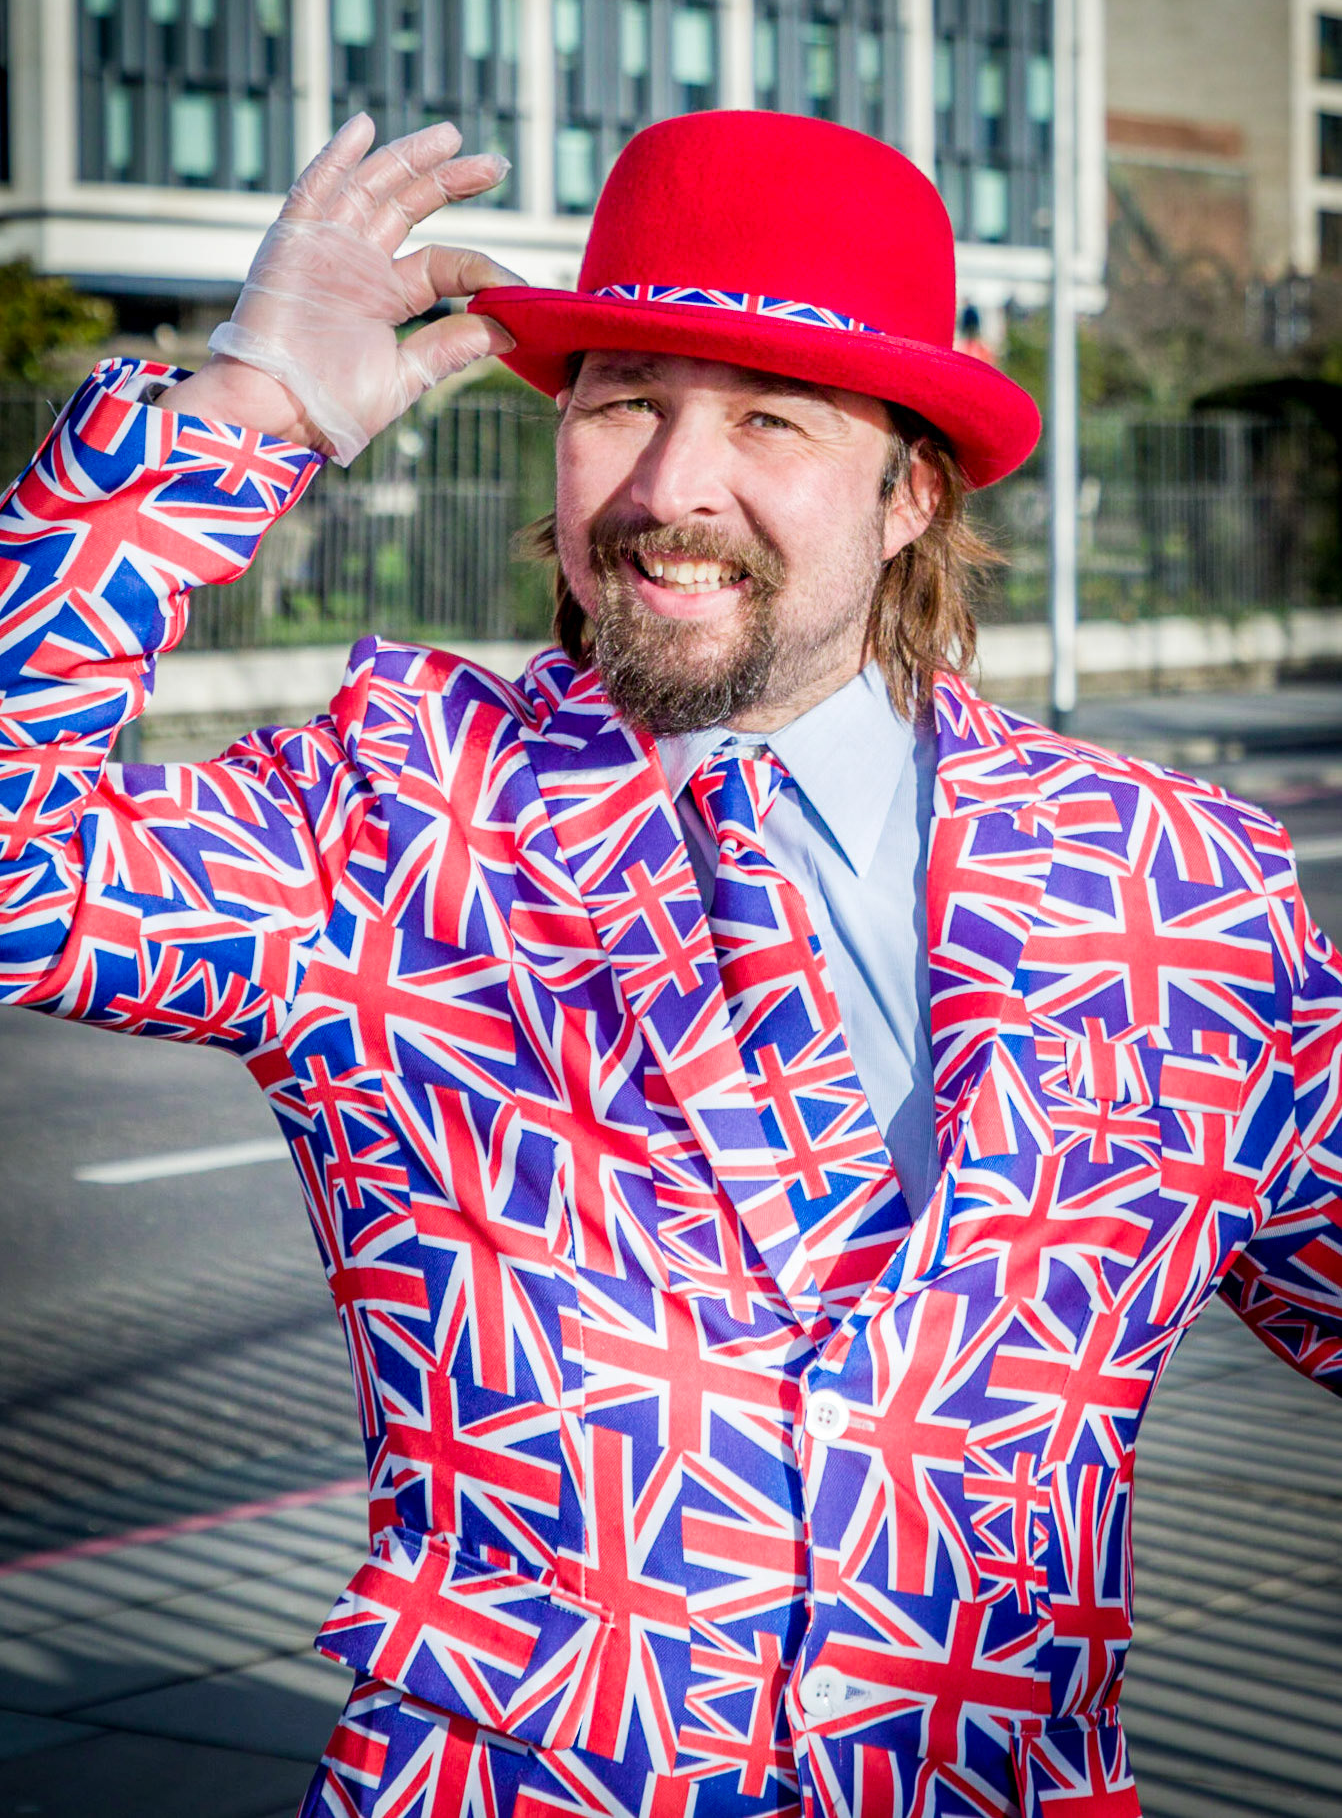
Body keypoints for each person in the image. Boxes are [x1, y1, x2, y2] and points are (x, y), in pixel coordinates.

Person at [0, 108, 1338, 1818]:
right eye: (624, 400)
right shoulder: (399, 814)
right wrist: (236, 422)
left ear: (911, 485)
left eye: (767, 418)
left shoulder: (1172, 891)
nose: (666, 488)